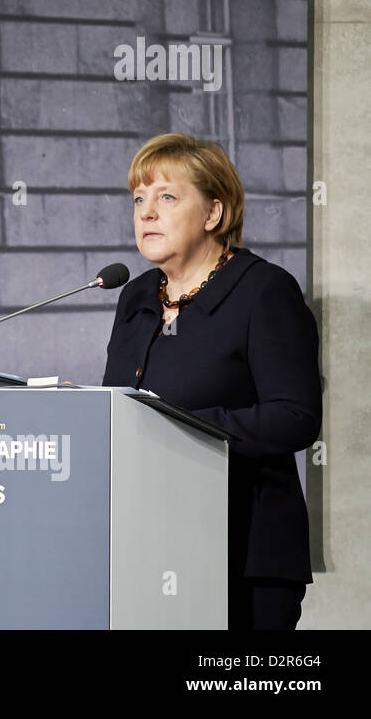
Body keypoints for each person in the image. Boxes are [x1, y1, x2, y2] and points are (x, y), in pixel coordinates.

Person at [102, 133, 322, 630]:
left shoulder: (264, 291)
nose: (146, 213)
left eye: (167, 197)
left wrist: (183, 430)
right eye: (139, 199)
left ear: (214, 214)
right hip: (152, 549)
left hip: (245, 551)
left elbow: (296, 416)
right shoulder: (135, 297)